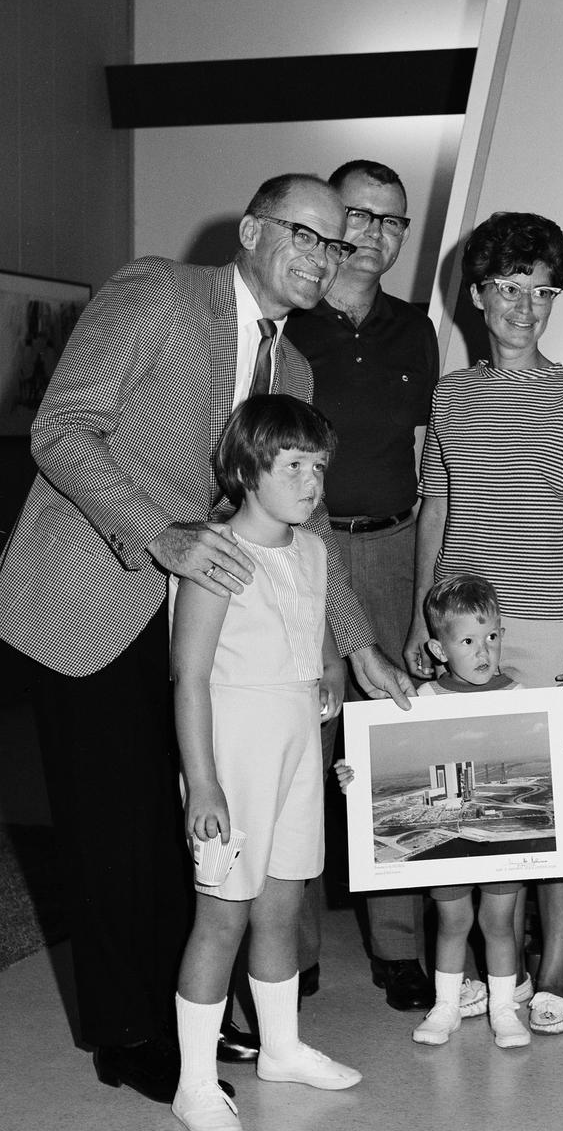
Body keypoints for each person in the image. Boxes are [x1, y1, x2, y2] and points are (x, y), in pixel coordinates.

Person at [0, 173, 409, 1105]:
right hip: (93, 596)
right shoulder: (158, 293)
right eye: (303, 235)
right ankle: (130, 1034)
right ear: (253, 231)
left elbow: (291, 527)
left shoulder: (293, 372)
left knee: (196, 829)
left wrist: (355, 641)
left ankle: (193, 1016)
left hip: (206, 622)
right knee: (116, 832)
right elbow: (63, 431)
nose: (321, 256)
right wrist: (159, 531)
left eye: (337, 244)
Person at [403, 212, 563, 1035]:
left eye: (542, 292)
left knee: (549, 807)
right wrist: (428, 609)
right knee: (468, 804)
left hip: (548, 625)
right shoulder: (451, 395)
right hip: (462, 630)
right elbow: (438, 504)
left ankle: (552, 968)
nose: (526, 308)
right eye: (509, 290)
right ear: (478, 298)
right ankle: (493, 971)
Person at [171, 395, 360, 1131]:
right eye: (293, 466)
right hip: (232, 751)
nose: (311, 483)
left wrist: (330, 669)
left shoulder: (312, 549)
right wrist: (204, 782)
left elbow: (310, 637)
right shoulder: (213, 553)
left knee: (282, 904)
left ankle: (280, 1045)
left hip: (295, 747)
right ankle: (194, 1081)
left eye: (318, 467)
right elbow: (189, 677)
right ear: (250, 469)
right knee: (221, 918)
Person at [285, 158, 437, 1013]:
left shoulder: (415, 328)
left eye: (393, 221)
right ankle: (294, 947)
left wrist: (429, 581)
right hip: (301, 558)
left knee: (392, 757)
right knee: (302, 748)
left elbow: (431, 458)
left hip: (391, 552)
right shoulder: (289, 320)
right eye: (361, 215)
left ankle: (398, 947)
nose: (375, 234)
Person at [341, 574, 563, 1049]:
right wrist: (355, 774)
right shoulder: (423, 701)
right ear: (438, 648)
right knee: (452, 921)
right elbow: (381, 755)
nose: (483, 651)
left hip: (496, 840)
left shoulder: (523, 697)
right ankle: (447, 1006)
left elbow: (554, 759)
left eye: (492, 637)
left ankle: (503, 1009)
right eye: (468, 640)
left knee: (499, 923)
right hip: (451, 834)